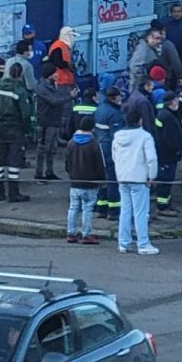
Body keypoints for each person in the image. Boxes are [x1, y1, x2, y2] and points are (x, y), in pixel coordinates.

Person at [112, 108, 160, 255]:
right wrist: (152, 176)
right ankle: (143, 243)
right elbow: (151, 158)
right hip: (139, 178)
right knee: (141, 212)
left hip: (122, 177)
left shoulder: (117, 136)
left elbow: (114, 156)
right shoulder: (145, 136)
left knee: (125, 210)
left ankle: (123, 243)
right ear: (140, 120)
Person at [0, 63, 34, 203]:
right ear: (21, 74)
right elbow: (26, 114)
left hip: (0, 128)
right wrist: (27, 130)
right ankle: (13, 194)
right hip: (15, 128)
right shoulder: (20, 91)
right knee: (14, 161)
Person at [65, 116, 105, 245]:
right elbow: (100, 164)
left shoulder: (71, 142)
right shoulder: (94, 144)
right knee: (87, 209)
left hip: (75, 181)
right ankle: (86, 234)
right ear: (92, 128)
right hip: (90, 182)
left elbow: (67, 163)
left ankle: (71, 233)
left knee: (73, 208)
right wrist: (102, 179)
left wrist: (71, 174)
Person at [34, 64, 78, 182]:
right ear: (49, 75)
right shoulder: (42, 88)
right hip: (45, 123)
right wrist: (70, 97)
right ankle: (39, 174)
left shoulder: (53, 85)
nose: (57, 75)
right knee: (42, 149)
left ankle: (49, 171)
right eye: (55, 73)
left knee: (52, 149)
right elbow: (54, 101)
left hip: (54, 121)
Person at [94, 86, 125, 220]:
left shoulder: (100, 109)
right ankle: (114, 210)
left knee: (103, 178)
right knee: (112, 179)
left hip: (100, 146)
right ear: (115, 98)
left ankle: (101, 207)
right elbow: (117, 136)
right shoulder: (114, 113)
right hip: (110, 149)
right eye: (119, 97)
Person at [155, 91, 182, 217]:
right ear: (173, 102)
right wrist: (176, 150)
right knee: (166, 180)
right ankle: (163, 206)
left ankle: (166, 202)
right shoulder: (168, 117)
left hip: (163, 154)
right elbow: (170, 138)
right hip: (168, 155)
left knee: (166, 180)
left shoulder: (164, 114)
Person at [128, 27, 164, 91]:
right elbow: (135, 68)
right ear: (149, 38)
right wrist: (144, 84)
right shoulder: (143, 49)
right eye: (156, 38)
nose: (159, 41)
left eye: (160, 39)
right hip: (139, 88)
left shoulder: (148, 48)